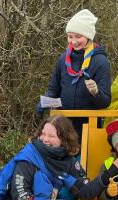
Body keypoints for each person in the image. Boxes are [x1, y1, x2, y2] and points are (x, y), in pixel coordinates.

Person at [39, 9, 111, 138]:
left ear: (89, 36)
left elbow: (105, 102)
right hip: (64, 125)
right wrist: (45, 102)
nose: (74, 41)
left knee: (85, 158)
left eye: (78, 36)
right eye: (70, 36)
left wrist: (96, 93)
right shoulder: (63, 59)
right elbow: (54, 89)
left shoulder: (100, 61)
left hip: (89, 125)